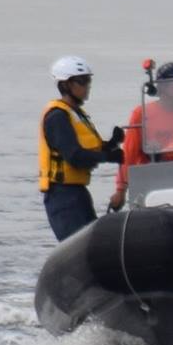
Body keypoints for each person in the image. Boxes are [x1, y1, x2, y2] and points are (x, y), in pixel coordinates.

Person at [38, 55, 125, 242]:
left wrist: (112, 143)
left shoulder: (77, 114)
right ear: (66, 85)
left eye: (88, 81)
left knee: (96, 242)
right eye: (82, 81)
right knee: (79, 243)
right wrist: (109, 156)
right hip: (62, 195)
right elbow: (74, 156)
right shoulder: (57, 117)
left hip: (78, 192)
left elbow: (92, 149)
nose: (87, 86)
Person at [110, 60, 173, 210]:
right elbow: (129, 155)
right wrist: (121, 190)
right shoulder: (142, 114)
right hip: (149, 182)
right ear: (162, 86)